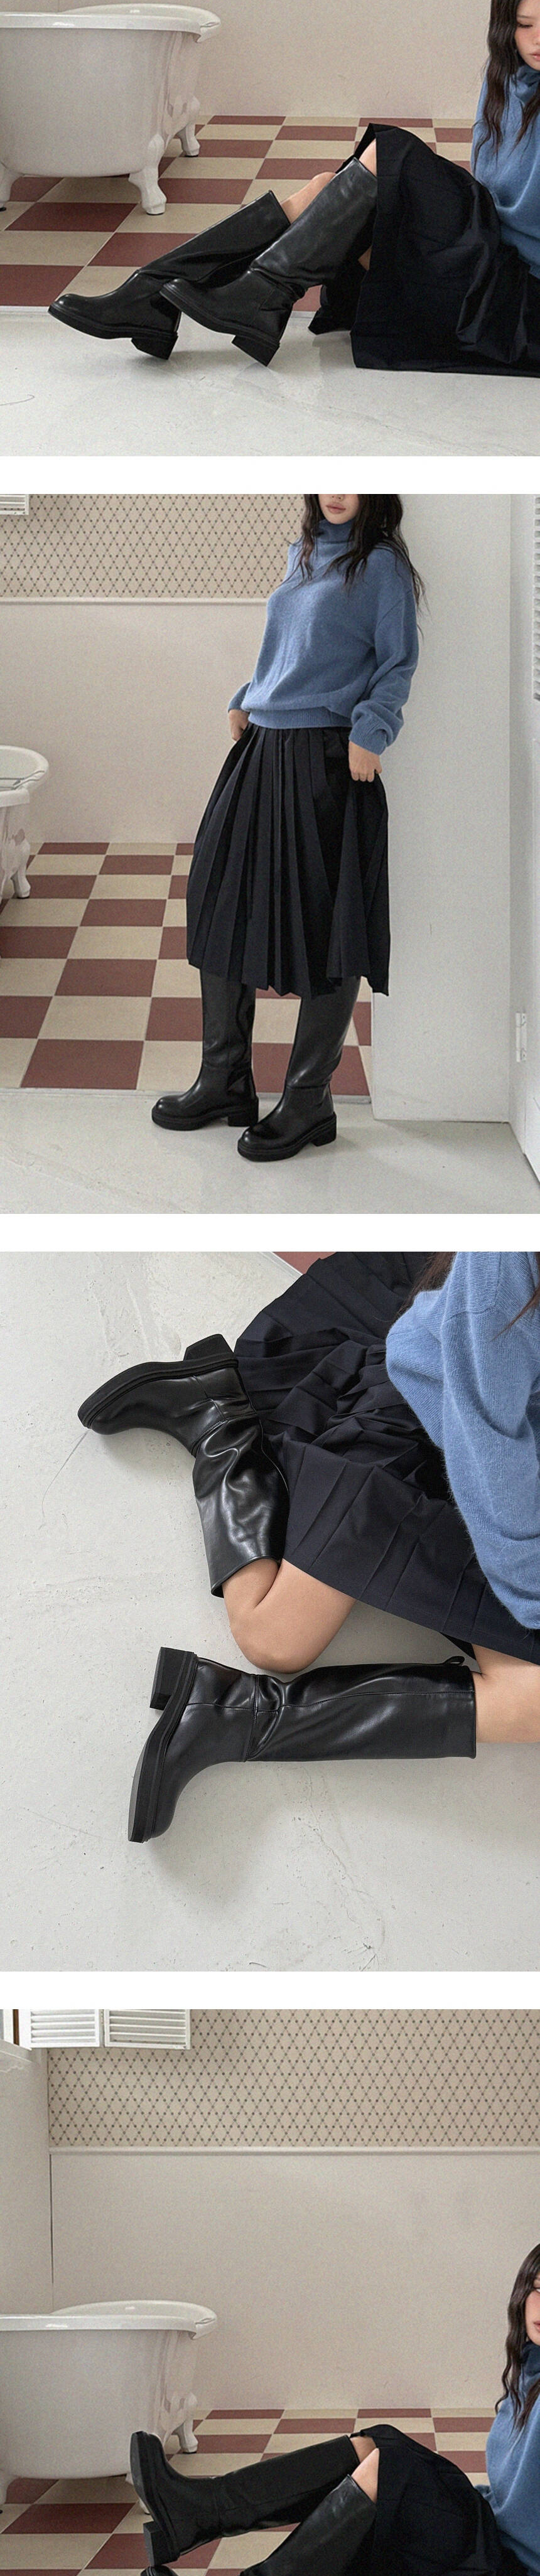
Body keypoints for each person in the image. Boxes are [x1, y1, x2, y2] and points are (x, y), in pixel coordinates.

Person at [77, 1252, 540, 1842]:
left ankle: (228, 1712)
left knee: (533, 1698)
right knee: (275, 1636)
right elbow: (485, 1431)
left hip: (507, 1463)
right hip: (426, 1410)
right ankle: (217, 1420)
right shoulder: (508, 1259)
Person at [49, 0, 540, 377]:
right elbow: (490, 194)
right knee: (330, 185)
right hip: (488, 255)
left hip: (519, 299)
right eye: (525, 24)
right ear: (505, 27)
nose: (539, 37)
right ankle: (154, 294)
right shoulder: (503, 82)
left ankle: (254, 294)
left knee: (395, 154)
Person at [151, 488, 420, 1160]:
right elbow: (289, 648)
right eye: (324, 477)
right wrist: (248, 695)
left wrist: (372, 730)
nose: (336, 491)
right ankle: (224, 1079)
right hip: (262, 746)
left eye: (350, 479)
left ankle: (307, 1099)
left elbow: (397, 662)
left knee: (329, 924)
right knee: (218, 899)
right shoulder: (300, 553)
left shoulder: (381, 565)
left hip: (328, 755)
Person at [127, 2237, 540, 2576]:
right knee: (379, 2444)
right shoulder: (529, 2371)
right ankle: (201, 2511)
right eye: (537, 2287)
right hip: (503, 2544)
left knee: (395, 2472)